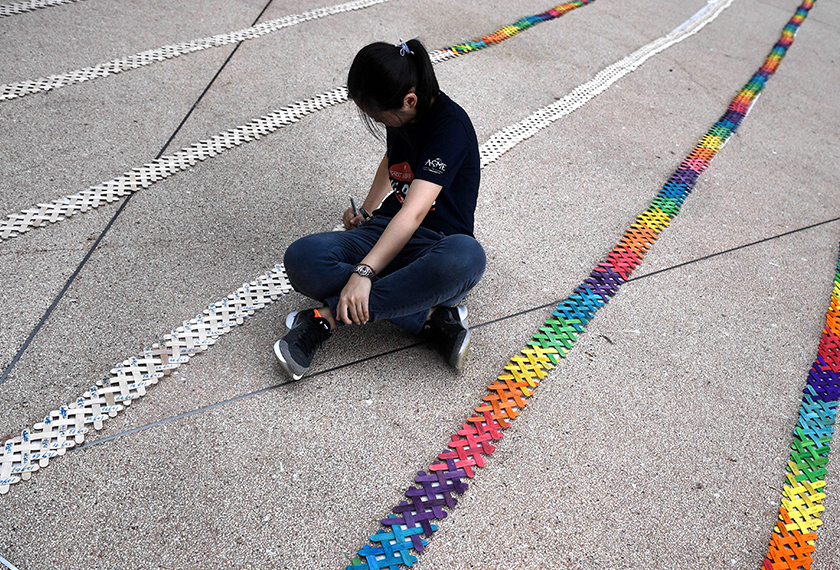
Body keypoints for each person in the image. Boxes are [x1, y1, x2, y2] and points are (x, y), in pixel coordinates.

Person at [274, 38, 485, 381]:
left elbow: (414, 214)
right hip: (385, 229)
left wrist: (364, 273)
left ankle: (324, 317)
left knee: (467, 257)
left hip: (437, 243)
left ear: (409, 100)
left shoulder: (451, 127)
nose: (377, 120)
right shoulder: (403, 113)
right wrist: (368, 212)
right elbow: (392, 158)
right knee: (302, 257)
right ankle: (429, 318)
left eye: (378, 115)